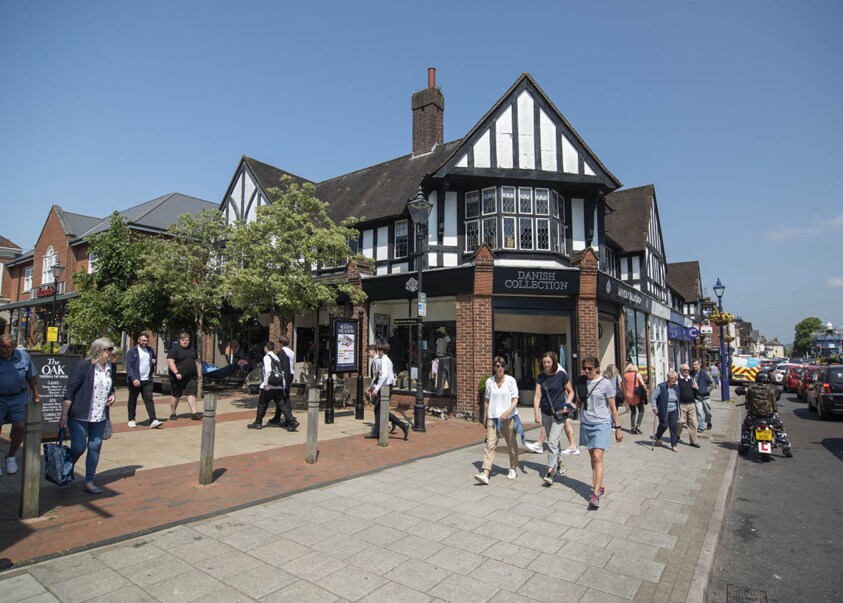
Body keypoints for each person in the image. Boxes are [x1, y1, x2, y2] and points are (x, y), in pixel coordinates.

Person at [59, 338, 116, 494]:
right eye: (109, 350)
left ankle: (89, 481)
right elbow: (71, 390)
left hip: (100, 415)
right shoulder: (83, 366)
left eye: (112, 350)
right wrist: (64, 415)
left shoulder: (111, 367)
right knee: (78, 447)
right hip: (79, 414)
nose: (111, 353)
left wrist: (112, 395)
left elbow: (110, 386)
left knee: (95, 447)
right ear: (98, 350)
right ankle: (65, 470)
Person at [576, 356, 623, 508]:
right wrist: (570, 406)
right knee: (593, 458)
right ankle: (599, 485)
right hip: (586, 423)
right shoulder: (581, 382)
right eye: (584, 368)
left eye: (590, 368)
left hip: (601, 424)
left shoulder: (605, 384)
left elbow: (613, 407)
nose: (587, 371)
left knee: (597, 457)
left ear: (597, 368)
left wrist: (618, 428)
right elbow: (579, 402)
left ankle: (595, 494)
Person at [475, 357, 519, 484]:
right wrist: (486, 417)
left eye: (502, 366)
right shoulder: (489, 382)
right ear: (494, 367)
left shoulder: (511, 381)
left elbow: (515, 399)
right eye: (498, 366)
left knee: (511, 444)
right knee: (490, 445)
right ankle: (485, 473)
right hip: (493, 418)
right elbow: (486, 400)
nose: (500, 368)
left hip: (508, 418)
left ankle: (513, 467)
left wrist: (507, 412)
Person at [533, 351, 576, 486]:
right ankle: (560, 463)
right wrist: (536, 411)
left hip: (559, 413)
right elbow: (537, 395)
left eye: (549, 362)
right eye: (544, 362)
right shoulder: (540, 377)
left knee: (552, 442)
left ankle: (550, 472)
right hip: (546, 413)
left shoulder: (561, 375)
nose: (546, 365)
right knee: (554, 441)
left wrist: (567, 403)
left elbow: (571, 391)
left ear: (554, 362)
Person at [0, 334, 40, 476]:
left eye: (7, 347)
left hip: (18, 396)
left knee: (20, 426)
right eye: (1, 347)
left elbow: (31, 376)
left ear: (14, 346)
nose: (4, 350)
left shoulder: (23, 356)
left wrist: (36, 394)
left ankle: (11, 457)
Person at [737, 372, 792, 457]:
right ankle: (786, 447)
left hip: (753, 416)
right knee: (779, 428)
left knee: (746, 428)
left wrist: (742, 390)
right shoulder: (773, 388)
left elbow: (738, 390)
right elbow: (778, 397)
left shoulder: (750, 387)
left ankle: (745, 445)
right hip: (770, 416)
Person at [249, 341, 298, 431]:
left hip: (269, 386)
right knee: (282, 405)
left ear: (266, 348)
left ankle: (258, 422)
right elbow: (281, 371)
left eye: (264, 348)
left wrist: (265, 383)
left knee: (262, 404)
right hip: (278, 386)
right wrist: (282, 385)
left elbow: (268, 371)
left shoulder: (267, 357)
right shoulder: (276, 357)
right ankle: (292, 421)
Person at [365, 343, 408, 440]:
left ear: (381, 351)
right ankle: (377, 431)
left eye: (378, 350)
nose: (377, 352)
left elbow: (383, 376)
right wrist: (373, 386)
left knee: (381, 410)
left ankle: (402, 425)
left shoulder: (384, 360)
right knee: (378, 410)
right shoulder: (385, 360)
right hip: (385, 387)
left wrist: (376, 388)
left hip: (385, 387)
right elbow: (380, 375)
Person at [125, 332, 162, 429]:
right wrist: (134, 379)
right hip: (135, 380)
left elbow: (154, 358)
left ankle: (153, 419)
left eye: (146, 341)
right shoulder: (132, 352)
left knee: (149, 399)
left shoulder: (150, 350)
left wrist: (154, 361)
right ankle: (131, 419)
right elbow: (128, 367)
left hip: (147, 380)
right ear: (138, 340)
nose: (145, 342)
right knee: (133, 400)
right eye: (143, 340)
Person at [167, 332, 201, 420]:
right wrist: (176, 372)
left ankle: (194, 413)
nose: (185, 342)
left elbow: (195, 361)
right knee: (176, 395)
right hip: (178, 377)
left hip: (191, 376)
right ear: (180, 340)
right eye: (183, 340)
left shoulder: (192, 349)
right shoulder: (174, 349)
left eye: (187, 340)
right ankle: (173, 413)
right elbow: (170, 361)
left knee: (192, 393)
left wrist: (198, 372)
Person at [651, 371, 680, 451]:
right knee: (664, 425)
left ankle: (674, 445)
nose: (673, 380)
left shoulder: (677, 387)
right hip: (664, 409)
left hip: (674, 410)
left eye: (675, 378)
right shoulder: (661, 386)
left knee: (673, 427)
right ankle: (657, 436)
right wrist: (654, 407)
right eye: (672, 378)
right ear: (668, 378)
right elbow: (653, 397)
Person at [676, 363, 701, 447]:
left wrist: (696, 388)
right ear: (681, 370)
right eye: (684, 370)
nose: (686, 371)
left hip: (691, 404)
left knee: (693, 423)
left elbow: (697, 389)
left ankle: (693, 441)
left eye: (688, 370)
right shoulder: (678, 379)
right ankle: (676, 435)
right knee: (681, 422)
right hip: (681, 404)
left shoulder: (692, 378)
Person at [623, 363, 647, 434]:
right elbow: (642, 384)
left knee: (633, 411)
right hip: (636, 395)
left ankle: (632, 428)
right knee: (641, 410)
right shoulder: (637, 374)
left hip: (628, 395)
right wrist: (645, 390)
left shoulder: (625, 375)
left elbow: (624, 385)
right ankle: (638, 426)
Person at [692, 360, 713, 433]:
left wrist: (706, 390)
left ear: (699, 365)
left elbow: (712, 383)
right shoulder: (692, 374)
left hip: (705, 396)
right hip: (697, 396)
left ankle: (709, 421)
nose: (694, 366)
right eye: (693, 364)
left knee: (708, 412)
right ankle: (701, 426)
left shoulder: (706, 373)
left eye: (695, 364)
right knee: (699, 412)